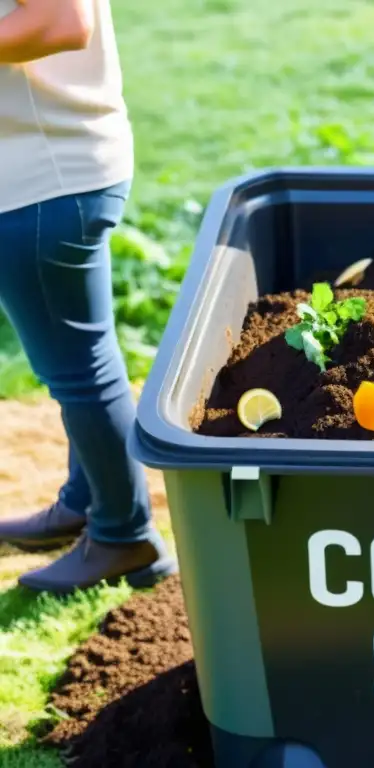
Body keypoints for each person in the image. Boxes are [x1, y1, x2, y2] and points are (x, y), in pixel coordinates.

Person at [0, 0, 176, 593]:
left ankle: (125, 536)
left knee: (79, 373)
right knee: (82, 358)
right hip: (51, 167)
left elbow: (61, 20)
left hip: (43, 178)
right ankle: (87, 501)